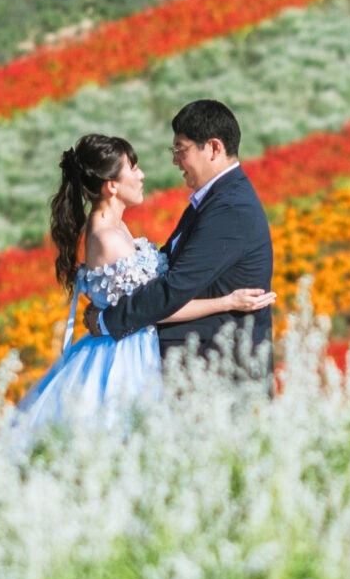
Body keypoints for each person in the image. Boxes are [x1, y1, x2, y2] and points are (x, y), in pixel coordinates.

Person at [15, 129, 274, 431]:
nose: (142, 175)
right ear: (112, 186)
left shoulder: (118, 228)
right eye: (134, 168)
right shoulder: (107, 237)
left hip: (139, 349)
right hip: (124, 359)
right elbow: (159, 305)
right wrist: (227, 302)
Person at [94, 99, 276, 374]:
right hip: (196, 370)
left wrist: (108, 321)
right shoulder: (213, 200)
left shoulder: (230, 209)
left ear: (214, 148)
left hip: (217, 372)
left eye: (181, 149)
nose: (175, 160)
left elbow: (175, 287)